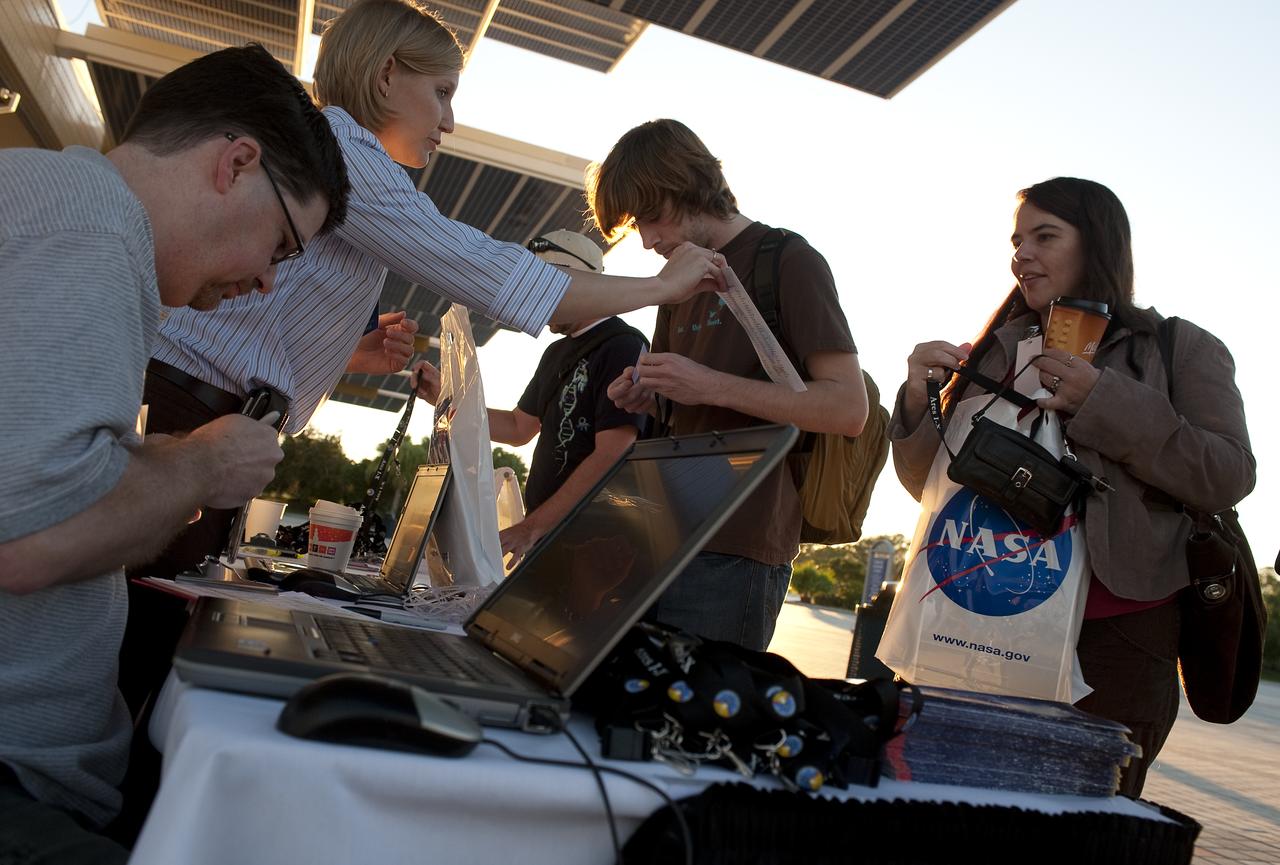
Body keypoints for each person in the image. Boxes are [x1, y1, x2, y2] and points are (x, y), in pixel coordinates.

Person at [143, 0, 724, 574]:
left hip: (201, 411)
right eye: (443, 92)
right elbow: (489, 273)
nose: (448, 121)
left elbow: (254, 322)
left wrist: (352, 355)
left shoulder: (329, 152)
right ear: (387, 73)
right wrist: (662, 286)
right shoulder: (348, 153)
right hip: (192, 418)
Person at [0, 45, 349, 861]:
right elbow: (27, 543)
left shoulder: (66, 210)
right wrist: (199, 465)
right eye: (285, 245)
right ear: (235, 163)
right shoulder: (87, 227)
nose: (269, 281)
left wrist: (152, 460)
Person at [889, 177, 1254, 796]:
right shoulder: (993, 349)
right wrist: (914, 397)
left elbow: (1226, 474)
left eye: (1044, 236)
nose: (1020, 255)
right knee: (946, 808)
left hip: (1116, 636)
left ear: (1098, 246)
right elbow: (931, 487)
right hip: (978, 620)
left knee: (1081, 826)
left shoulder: (1180, 348)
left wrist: (1104, 402)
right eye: (1017, 240)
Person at [590, 119, 868, 651]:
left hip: (740, 544)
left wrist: (709, 385)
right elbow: (686, 397)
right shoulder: (679, 276)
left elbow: (846, 408)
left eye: (650, 218)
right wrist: (647, 394)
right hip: (662, 534)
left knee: (702, 724)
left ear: (686, 184)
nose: (647, 240)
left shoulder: (789, 260)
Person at [413, 230, 648, 566]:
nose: (535, 299)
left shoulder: (622, 345)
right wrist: (445, 399)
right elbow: (518, 427)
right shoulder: (556, 352)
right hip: (550, 539)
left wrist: (531, 527)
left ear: (579, 283)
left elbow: (613, 453)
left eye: (544, 286)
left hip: (595, 543)